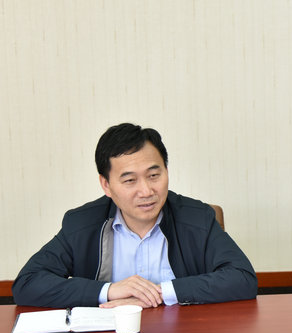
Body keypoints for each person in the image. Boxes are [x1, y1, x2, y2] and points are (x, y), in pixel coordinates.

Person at [13, 123, 257, 308]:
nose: (146, 191)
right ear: (106, 185)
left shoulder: (197, 218)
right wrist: (110, 291)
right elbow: (27, 283)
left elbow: (243, 278)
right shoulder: (82, 224)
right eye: (130, 180)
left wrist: (158, 293)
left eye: (154, 175)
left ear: (166, 171)